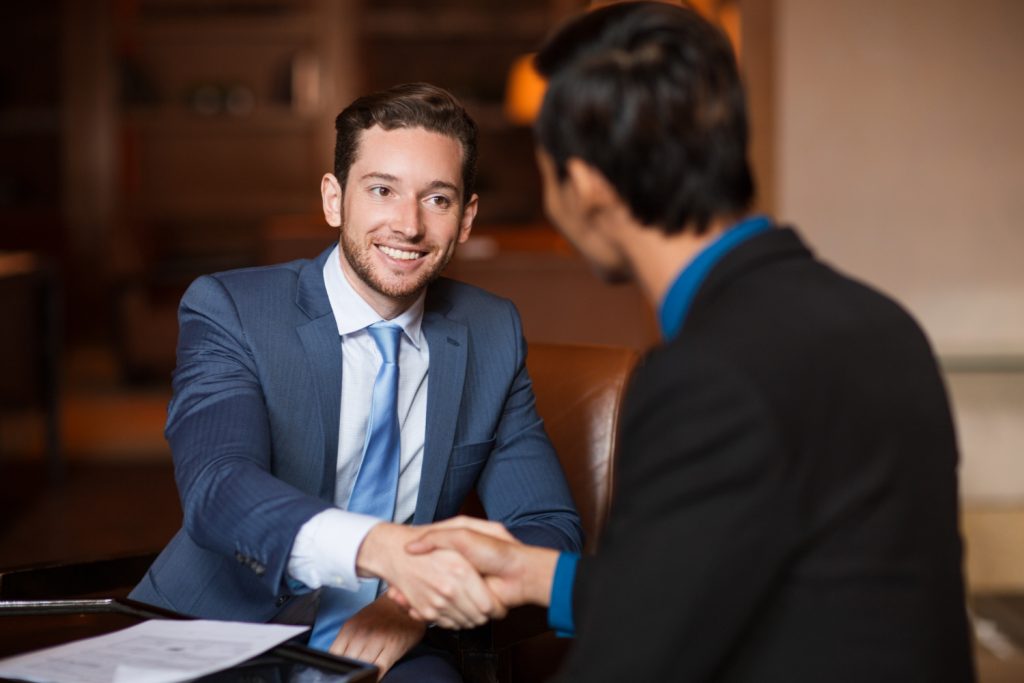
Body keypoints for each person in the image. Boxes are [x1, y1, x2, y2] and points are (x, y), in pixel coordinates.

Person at [401, 4, 976, 681]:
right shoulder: (883, 323)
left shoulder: (708, 375)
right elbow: (751, 583)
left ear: (583, 184)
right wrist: (541, 575)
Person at [129, 82, 583, 682]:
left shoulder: (492, 332)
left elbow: (548, 526)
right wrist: (382, 548)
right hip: (220, 633)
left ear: (467, 218)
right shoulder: (232, 309)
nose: (409, 225)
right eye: (381, 190)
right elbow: (218, 489)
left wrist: (410, 604)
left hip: (394, 644)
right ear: (334, 199)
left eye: (438, 199)